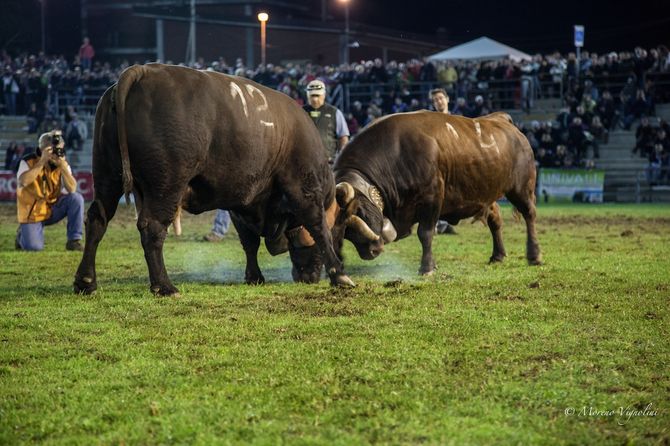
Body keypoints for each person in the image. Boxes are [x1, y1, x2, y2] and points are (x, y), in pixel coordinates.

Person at [15, 130, 84, 251]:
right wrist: (42, 161)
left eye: (59, 149)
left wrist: (63, 167)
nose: (56, 153)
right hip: (32, 213)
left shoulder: (61, 164)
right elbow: (23, 181)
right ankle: (22, 235)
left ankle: (74, 240)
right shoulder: (28, 161)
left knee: (76, 199)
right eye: (52, 150)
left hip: (51, 208)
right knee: (34, 248)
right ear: (42, 149)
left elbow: (72, 189)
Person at [429, 88, 457, 235]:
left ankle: (445, 223)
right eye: (435, 100)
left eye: (440, 98)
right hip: (437, 163)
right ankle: (435, 223)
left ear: (447, 99)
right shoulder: (431, 123)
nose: (438, 102)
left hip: (454, 162)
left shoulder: (457, 121)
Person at [302, 79, 349, 163]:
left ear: (324, 94)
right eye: (312, 96)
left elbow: (343, 137)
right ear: (307, 95)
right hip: (305, 161)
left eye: (317, 95)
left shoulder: (335, 113)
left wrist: (341, 157)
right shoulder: (300, 112)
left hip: (329, 161)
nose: (315, 99)